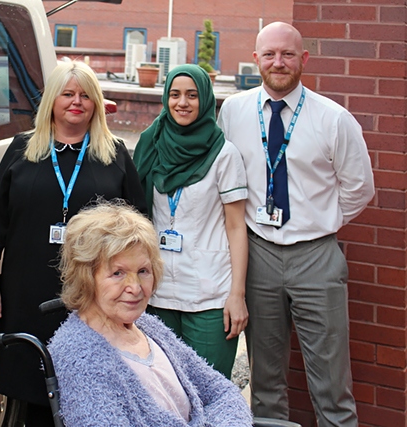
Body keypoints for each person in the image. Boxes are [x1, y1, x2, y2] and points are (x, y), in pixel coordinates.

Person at [217, 22, 375, 426]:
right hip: (259, 256)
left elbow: (360, 188)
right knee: (265, 384)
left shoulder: (334, 119)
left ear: (303, 59)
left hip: (316, 257)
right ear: (256, 60)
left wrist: (318, 221)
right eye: (269, 54)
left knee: (332, 386)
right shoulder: (233, 111)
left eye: (288, 54)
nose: (278, 62)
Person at [0, 60, 146, 425]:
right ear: (52, 99)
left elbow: (139, 226)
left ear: (96, 103)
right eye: (68, 93)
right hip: (27, 290)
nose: (76, 102)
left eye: (85, 95)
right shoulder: (23, 149)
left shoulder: (112, 153)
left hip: (94, 294)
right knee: (33, 388)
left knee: (88, 388)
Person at [47, 200, 252, 426]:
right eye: (117, 273)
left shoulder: (148, 326)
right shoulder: (80, 355)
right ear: (86, 279)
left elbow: (221, 393)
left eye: (143, 271)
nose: (135, 287)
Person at [133, 64, 248, 379]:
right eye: (174, 94)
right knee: (161, 390)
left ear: (206, 100)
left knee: (207, 391)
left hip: (209, 295)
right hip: (157, 293)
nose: (182, 103)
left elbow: (237, 227)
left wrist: (237, 295)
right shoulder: (151, 144)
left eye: (192, 95)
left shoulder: (224, 154)